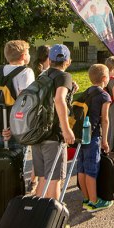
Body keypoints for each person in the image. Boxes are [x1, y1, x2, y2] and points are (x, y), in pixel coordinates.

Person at [32, 44, 77, 199]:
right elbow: (59, 99)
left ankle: (39, 216)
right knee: (55, 180)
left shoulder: (42, 76)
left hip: (38, 134)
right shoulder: (64, 76)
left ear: (49, 59)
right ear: (68, 61)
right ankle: (53, 219)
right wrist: (66, 129)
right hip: (53, 135)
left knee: (43, 179)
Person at [77, 64, 114, 211]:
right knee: (92, 168)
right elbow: (105, 119)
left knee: (82, 168)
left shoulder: (86, 92)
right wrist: (105, 140)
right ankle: (94, 201)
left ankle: (86, 198)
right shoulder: (104, 95)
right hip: (92, 136)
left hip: (81, 136)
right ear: (104, 79)